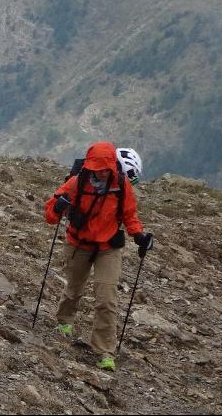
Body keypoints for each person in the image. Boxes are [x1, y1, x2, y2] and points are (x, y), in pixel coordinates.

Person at [44, 140, 152, 371]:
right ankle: (64, 322)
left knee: (107, 299)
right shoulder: (76, 183)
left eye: (107, 168)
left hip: (108, 249)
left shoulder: (121, 185)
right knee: (74, 288)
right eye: (98, 168)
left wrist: (139, 235)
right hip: (78, 243)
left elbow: (129, 216)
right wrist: (58, 206)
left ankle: (105, 352)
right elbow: (50, 216)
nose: (102, 172)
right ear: (90, 166)